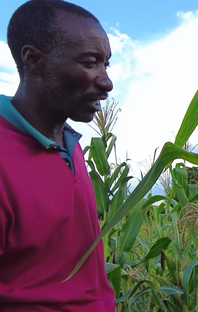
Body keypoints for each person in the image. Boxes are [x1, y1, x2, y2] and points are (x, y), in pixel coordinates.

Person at [0, 0, 115, 311]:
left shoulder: (70, 145)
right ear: (34, 60)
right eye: (91, 62)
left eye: (106, 64)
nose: (107, 82)